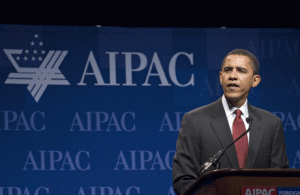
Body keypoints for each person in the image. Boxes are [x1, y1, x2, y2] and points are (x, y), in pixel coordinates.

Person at [172, 49, 289, 195]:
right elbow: (183, 180)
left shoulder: (271, 124)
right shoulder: (195, 121)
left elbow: (282, 182)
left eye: (241, 70)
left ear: (255, 80)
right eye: (228, 70)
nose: (233, 76)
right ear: (221, 77)